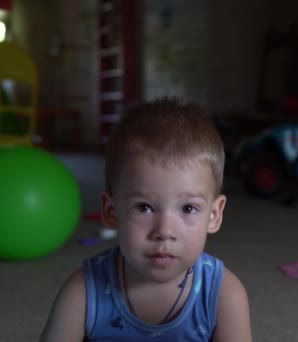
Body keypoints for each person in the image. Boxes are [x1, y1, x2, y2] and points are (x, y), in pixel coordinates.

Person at [40, 98, 252, 341]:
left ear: (214, 215)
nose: (164, 231)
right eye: (144, 207)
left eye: (188, 208)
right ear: (111, 212)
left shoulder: (224, 295)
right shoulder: (83, 292)